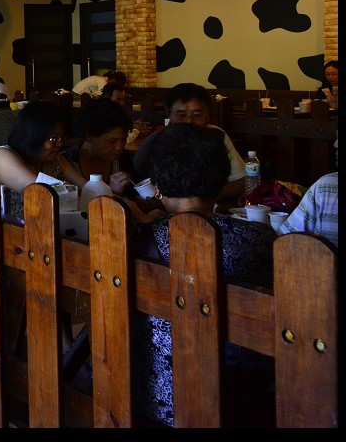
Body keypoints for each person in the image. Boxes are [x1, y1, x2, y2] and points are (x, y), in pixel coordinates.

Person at [131, 122, 277, 427]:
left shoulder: (135, 237)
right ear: (223, 179)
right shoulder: (259, 241)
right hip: (239, 403)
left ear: (157, 183)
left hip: (148, 396)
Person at [132, 83, 245, 206]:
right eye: (181, 115)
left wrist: (208, 196)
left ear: (209, 116)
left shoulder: (218, 137)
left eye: (197, 115)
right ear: (169, 115)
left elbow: (241, 181)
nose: (189, 121)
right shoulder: (156, 141)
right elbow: (138, 183)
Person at [0, 100, 89, 222]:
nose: (60, 143)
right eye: (53, 138)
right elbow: (42, 191)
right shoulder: (2, 157)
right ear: (32, 135)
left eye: (62, 137)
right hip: (1, 235)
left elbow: (86, 187)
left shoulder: (55, 160)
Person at [62, 99, 147, 215]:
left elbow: (134, 192)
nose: (119, 147)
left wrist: (142, 201)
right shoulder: (67, 162)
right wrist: (112, 194)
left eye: (123, 140)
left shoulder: (121, 158)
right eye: (112, 141)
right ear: (89, 136)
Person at [279, 131, 338, 247]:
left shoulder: (328, 186)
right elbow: (287, 240)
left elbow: (284, 244)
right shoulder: (326, 187)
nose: (336, 144)